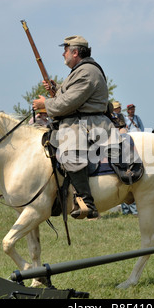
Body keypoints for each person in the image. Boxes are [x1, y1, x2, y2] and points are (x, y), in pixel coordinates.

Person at [32, 35, 115, 219]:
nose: (63, 54)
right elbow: (69, 92)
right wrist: (56, 87)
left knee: (70, 152)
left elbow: (68, 102)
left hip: (89, 124)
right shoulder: (80, 71)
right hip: (79, 122)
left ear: (75, 52)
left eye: (66, 50)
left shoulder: (87, 72)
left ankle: (87, 202)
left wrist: (46, 104)